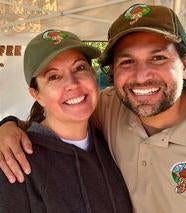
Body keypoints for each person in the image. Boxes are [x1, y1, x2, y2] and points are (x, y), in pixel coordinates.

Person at [0, 3, 186, 213]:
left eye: (158, 58)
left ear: (185, 65)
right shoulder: (113, 108)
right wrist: (8, 126)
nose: (141, 76)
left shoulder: (104, 118)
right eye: (127, 61)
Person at [0, 29, 132, 213]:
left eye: (79, 68)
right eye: (54, 76)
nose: (72, 83)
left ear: (93, 76)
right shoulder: (15, 163)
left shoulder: (110, 142)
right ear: (36, 95)